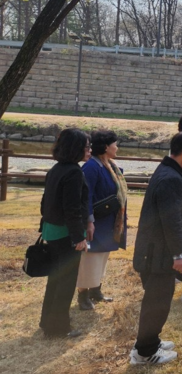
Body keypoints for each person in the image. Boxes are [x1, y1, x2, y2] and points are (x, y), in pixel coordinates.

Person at [131, 130, 182, 365]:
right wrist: (179, 254)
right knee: (157, 302)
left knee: (158, 299)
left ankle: (151, 341)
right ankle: (144, 352)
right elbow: (171, 221)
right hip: (158, 253)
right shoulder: (171, 178)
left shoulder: (168, 171)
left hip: (156, 250)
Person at [39, 129, 91, 338]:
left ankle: (47, 322)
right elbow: (72, 208)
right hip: (65, 234)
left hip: (51, 231)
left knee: (55, 279)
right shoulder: (74, 172)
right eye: (86, 147)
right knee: (66, 283)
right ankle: (58, 328)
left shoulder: (56, 169)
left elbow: (45, 202)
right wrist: (78, 238)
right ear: (76, 148)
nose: (89, 150)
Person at [76, 130, 128, 310]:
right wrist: (89, 221)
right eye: (115, 144)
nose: (117, 147)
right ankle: (83, 294)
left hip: (108, 221)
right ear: (106, 147)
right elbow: (85, 196)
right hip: (96, 221)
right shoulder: (91, 167)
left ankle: (95, 290)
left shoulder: (110, 165)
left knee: (102, 256)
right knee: (90, 258)